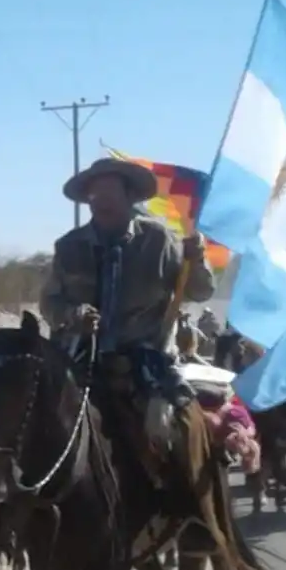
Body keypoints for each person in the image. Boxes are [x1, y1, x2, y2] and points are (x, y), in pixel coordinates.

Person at [39, 157, 215, 530]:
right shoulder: (68, 247)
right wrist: (72, 314)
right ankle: (19, 515)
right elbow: (49, 303)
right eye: (94, 190)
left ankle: (192, 516)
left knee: (174, 428)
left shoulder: (161, 241)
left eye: (109, 188)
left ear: (129, 194)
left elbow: (200, 291)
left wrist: (197, 259)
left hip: (145, 364)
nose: (99, 197)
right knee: (28, 424)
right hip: (80, 360)